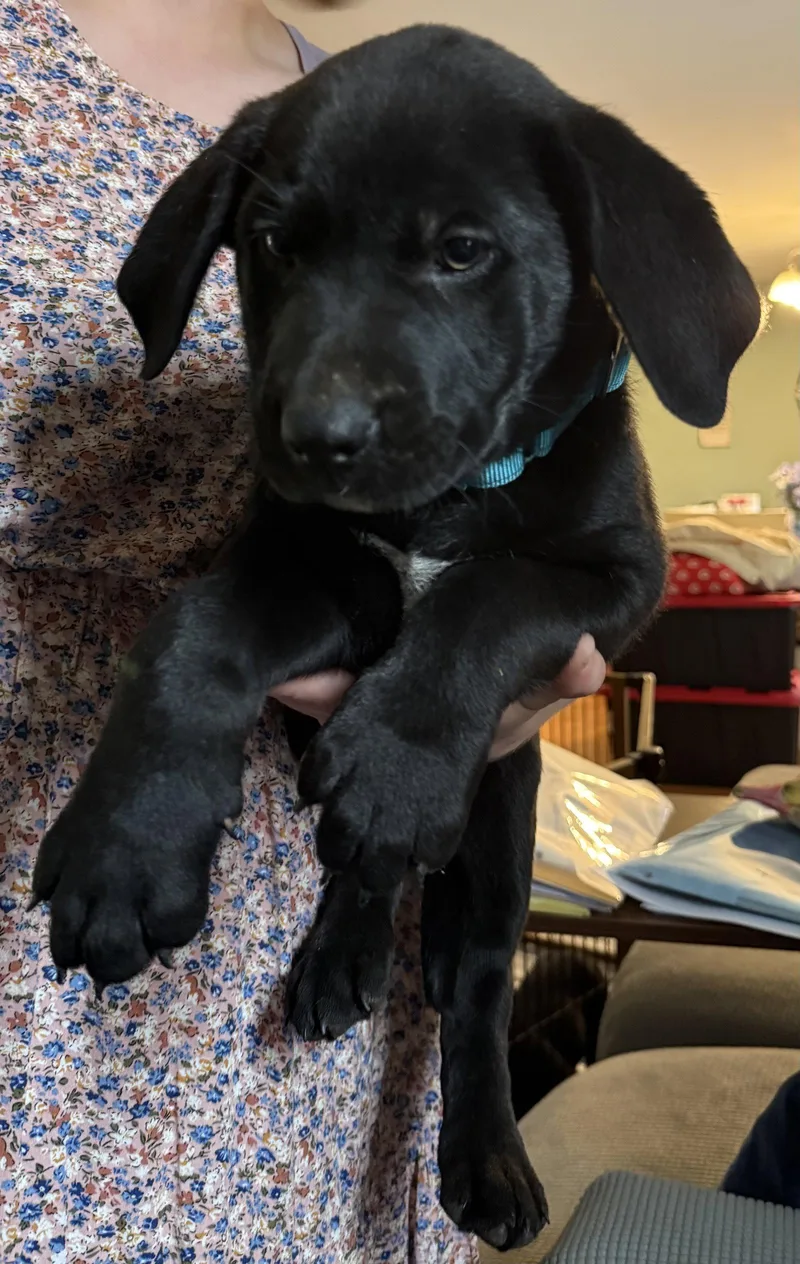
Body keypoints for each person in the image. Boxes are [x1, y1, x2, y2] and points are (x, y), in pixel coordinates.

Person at [0, 2, 605, 1258]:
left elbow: (582, 560)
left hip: (310, 955)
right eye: (281, 243)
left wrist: (479, 669)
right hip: (59, 921)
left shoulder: (387, 109)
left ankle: (472, 1073)